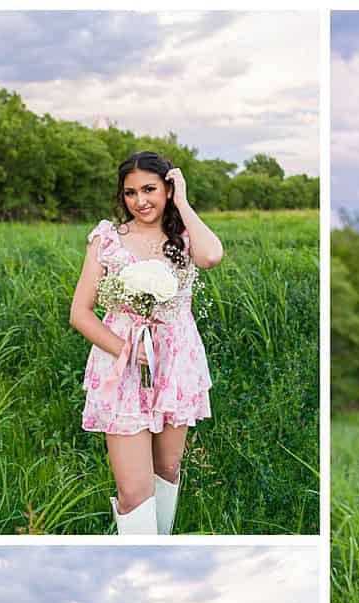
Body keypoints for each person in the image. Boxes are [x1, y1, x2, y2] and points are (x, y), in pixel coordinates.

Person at [70, 150, 225, 535]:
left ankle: (163, 545)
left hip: (176, 364)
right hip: (123, 364)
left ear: (167, 188)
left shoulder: (185, 237)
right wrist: (127, 349)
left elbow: (212, 255)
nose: (140, 201)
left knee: (167, 470)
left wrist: (183, 202)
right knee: (135, 491)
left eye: (150, 189)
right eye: (130, 192)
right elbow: (80, 313)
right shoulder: (108, 239)